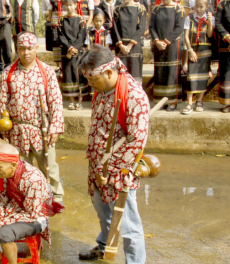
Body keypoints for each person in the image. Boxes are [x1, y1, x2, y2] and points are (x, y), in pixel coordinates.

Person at [77, 45, 149, 262]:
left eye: (93, 79)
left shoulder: (134, 96)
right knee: (104, 214)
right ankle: (103, 247)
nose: (89, 85)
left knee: (127, 223)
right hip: (98, 167)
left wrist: (112, 170)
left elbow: (136, 140)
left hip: (119, 171)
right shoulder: (101, 91)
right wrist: (98, 168)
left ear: (109, 72)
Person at [0, 32, 65, 205]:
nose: (26, 52)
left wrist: (55, 127)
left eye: (30, 48)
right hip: (17, 130)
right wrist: (3, 131)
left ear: (36, 48)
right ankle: (25, 197)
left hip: (41, 129)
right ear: (17, 49)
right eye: (22, 49)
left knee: (49, 166)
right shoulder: (8, 73)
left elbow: (56, 101)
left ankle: (55, 197)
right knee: (20, 169)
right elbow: (1, 103)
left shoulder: (47, 72)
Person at [0, 143, 62, 263]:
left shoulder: (33, 179)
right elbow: (3, 202)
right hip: (14, 208)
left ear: (13, 165)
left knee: (4, 234)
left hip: (35, 217)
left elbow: (31, 213)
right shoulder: (4, 173)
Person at [149, 0, 185, 111]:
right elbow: (151, 27)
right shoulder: (157, 9)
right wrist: (157, 41)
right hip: (159, 45)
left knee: (172, 72)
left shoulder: (178, 8)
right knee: (160, 72)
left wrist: (166, 41)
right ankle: (161, 100)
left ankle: (172, 101)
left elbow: (179, 27)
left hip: (172, 45)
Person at [182, 0, 213, 114]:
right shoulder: (189, 18)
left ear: (206, 7)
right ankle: (189, 102)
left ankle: (199, 100)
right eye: (197, 6)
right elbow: (186, 36)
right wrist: (190, 50)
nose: (199, 9)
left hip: (205, 50)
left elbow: (209, 35)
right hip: (193, 49)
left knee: (203, 76)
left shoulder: (210, 18)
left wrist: (210, 21)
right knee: (191, 76)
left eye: (201, 7)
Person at [58, 0, 88, 110]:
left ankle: (79, 102)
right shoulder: (62, 20)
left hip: (78, 52)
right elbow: (60, 35)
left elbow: (82, 36)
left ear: (75, 5)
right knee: (68, 75)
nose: (69, 7)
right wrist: (69, 48)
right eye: (67, 5)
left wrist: (74, 49)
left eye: (71, 5)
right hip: (66, 53)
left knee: (79, 75)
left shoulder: (81, 20)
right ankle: (72, 101)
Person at [112, 0, 147, 85]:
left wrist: (130, 45)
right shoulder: (117, 9)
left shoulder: (140, 8)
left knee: (135, 73)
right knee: (121, 75)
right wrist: (121, 45)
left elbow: (141, 28)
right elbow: (115, 29)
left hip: (135, 46)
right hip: (121, 47)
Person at [47, 0, 66, 75]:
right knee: (56, 43)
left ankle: (64, 65)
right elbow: (50, 9)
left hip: (65, 20)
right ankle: (58, 65)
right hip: (55, 21)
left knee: (65, 42)